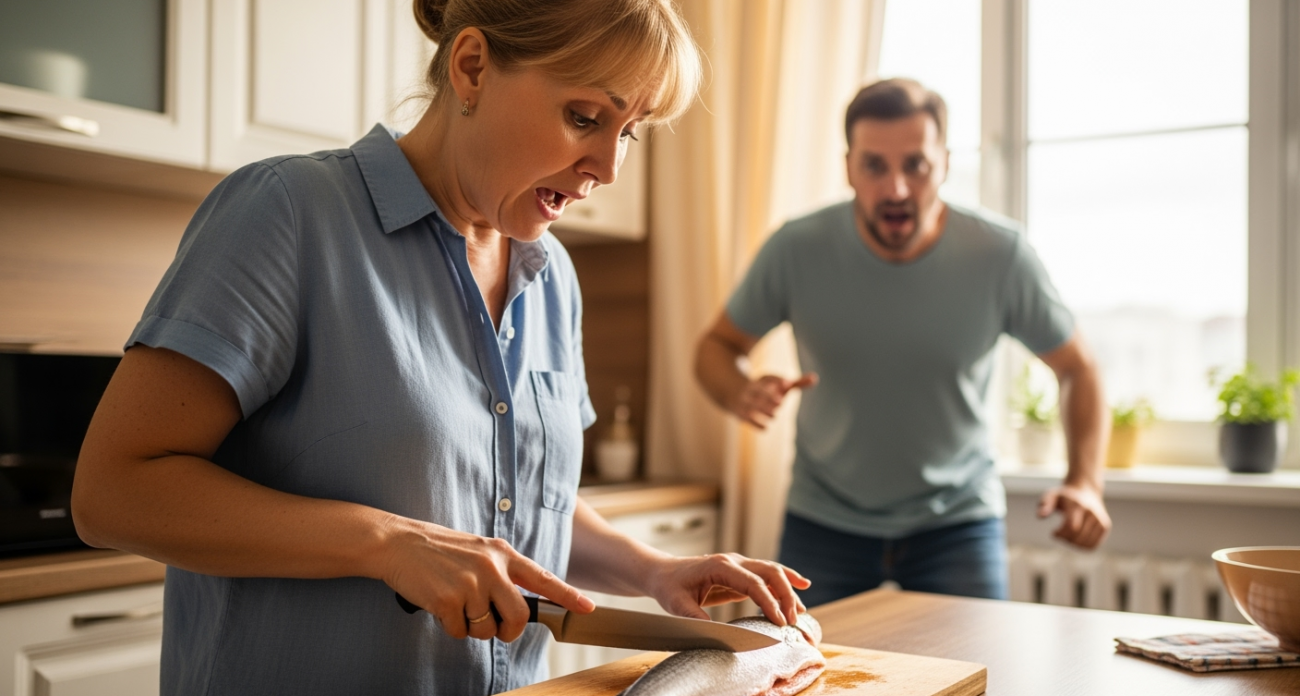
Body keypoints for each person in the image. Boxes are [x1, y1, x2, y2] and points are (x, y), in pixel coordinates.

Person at [70, 2, 808, 694]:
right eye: (585, 117)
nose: (608, 167)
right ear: (472, 68)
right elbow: (111, 493)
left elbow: (516, 499)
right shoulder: (290, 216)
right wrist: (384, 542)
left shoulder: (553, 277)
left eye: (631, 131)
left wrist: (654, 571)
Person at [693, 78, 1111, 606]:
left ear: (944, 163)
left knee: (979, 682)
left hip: (957, 522)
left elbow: (1079, 368)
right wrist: (738, 390)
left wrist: (1085, 482)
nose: (895, 188)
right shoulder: (796, 248)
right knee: (807, 682)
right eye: (874, 166)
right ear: (849, 167)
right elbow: (716, 347)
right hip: (824, 521)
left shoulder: (999, 256)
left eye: (915, 165)